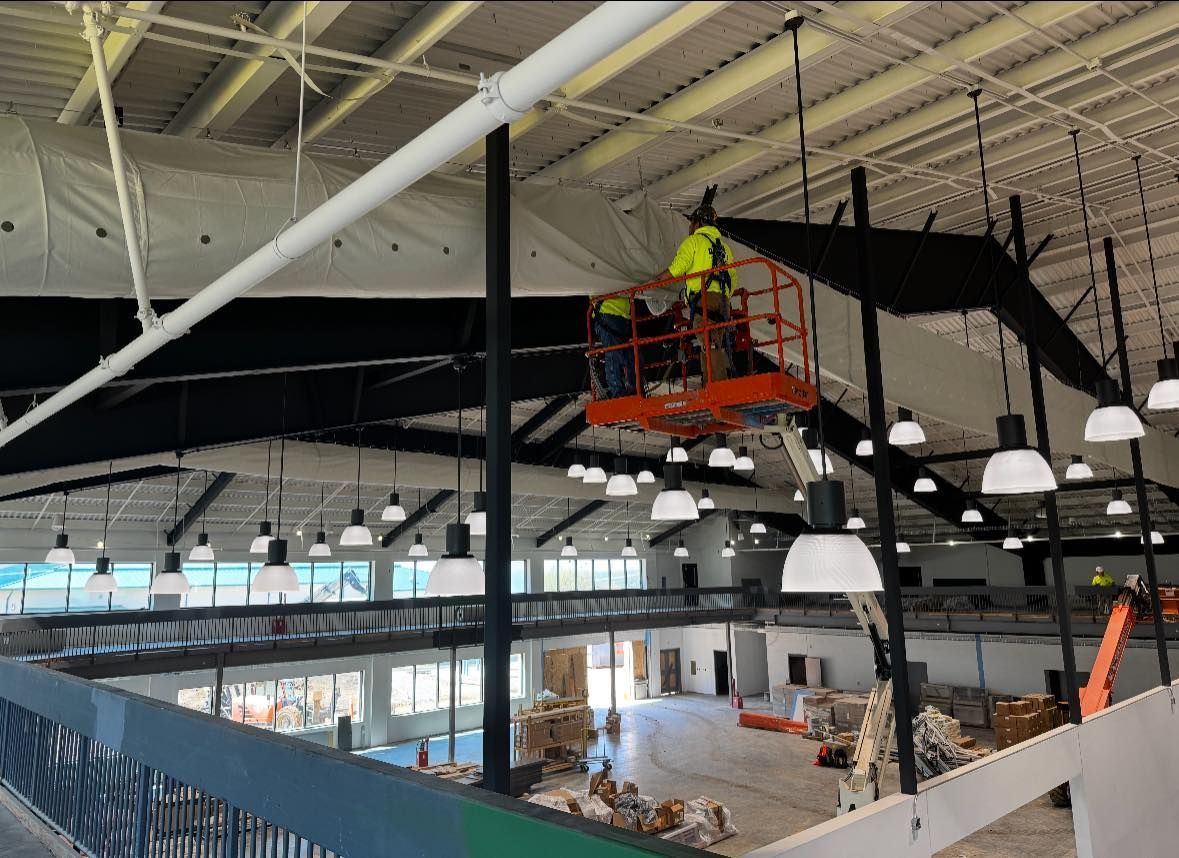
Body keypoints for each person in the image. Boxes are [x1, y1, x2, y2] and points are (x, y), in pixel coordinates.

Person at [649, 185, 739, 384]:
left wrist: (655, 281)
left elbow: (677, 268)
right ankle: (711, 383)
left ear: (698, 224)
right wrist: (723, 295)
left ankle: (719, 386)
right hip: (723, 300)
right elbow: (733, 277)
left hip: (703, 300)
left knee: (709, 343)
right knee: (712, 341)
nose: (690, 227)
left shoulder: (694, 242)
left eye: (691, 223)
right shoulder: (724, 247)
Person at [592, 292, 636, 398]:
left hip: (621, 316)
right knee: (614, 354)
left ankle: (631, 389)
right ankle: (618, 393)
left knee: (630, 355)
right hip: (608, 314)